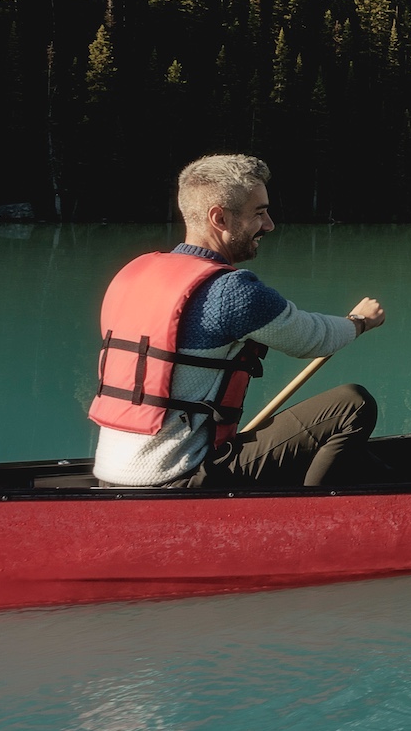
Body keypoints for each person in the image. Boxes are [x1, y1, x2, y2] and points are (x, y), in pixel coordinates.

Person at [90, 154, 387, 488]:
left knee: (363, 461)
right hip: (179, 478)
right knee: (352, 404)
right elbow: (314, 338)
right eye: (258, 213)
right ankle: (310, 518)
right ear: (219, 218)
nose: (269, 224)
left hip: (110, 477)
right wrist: (360, 320)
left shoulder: (133, 276)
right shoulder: (231, 291)